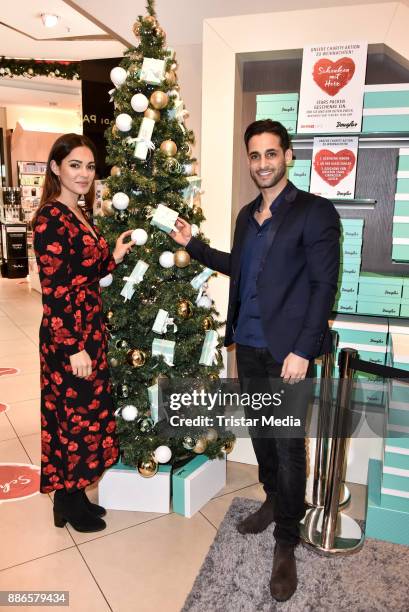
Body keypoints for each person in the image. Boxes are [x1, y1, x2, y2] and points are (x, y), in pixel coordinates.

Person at [170, 120, 340, 602]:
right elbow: (238, 266)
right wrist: (192, 245)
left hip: (289, 352)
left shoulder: (315, 212)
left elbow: (322, 287)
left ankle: (287, 540)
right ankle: (272, 497)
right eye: (254, 155)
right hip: (248, 344)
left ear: (287, 155)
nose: (262, 163)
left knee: (288, 445)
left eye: (270, 153)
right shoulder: (247, 216)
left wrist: (303, 349)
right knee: (263, 434)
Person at [33, 133, 134, 533]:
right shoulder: (50, 219)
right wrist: (73, 347)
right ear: (56, 167)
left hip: (89, 331)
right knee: (72, 421)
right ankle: (67, 500)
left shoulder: (78, 213)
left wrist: (114, 255)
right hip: (67, 338)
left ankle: (72, 498)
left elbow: (83, 271)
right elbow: (55, 292)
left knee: (85, 417)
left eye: (90, 166)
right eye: (75, 165)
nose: (84, 174)